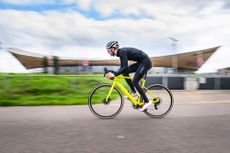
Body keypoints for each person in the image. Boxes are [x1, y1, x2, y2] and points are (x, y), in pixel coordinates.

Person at [105, 41, 152, 111]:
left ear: (113, 48)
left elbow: (125, 67)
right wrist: (113, 72)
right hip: (140, 62)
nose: (108, 52)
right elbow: (122, 68)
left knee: (135, 82)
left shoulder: (122, 52)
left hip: (145, 62)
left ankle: (147, 101)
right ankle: (134, 92)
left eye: (108, 50)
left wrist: (114, 74)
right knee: (124, 72)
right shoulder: (120, 53)